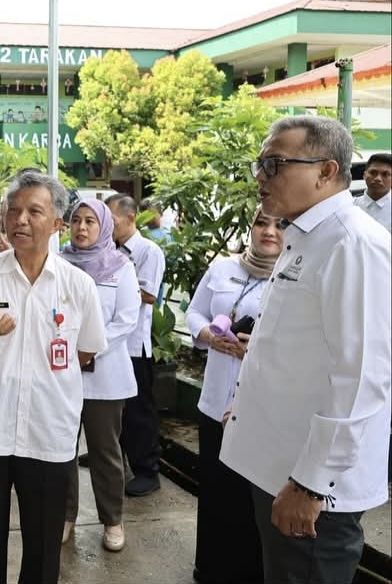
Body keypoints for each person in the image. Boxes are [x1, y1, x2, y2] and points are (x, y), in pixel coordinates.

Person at [221, 115, 391, 584]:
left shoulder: (353, 244)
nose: (261, 176)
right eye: (260, 164)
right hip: (280, 463)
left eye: (275, 164)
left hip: (312, 487)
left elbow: (362, 376)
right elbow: (293, 342)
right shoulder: (305, 234)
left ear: (326, 171)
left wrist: (313, 482)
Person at [0, 170, 107, 584]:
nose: (20, 220)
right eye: (13, 210)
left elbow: (86, 351)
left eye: (34, 212)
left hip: (48, 433)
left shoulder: (78, 285)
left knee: (42, 555)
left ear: (57, 223)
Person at [185, 209, 283, 584]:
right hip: (215, 402)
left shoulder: (294, 277)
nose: (269, 231)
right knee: (215, 488)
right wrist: (207, 336)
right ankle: (210, 568)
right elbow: (194, 312)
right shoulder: (224, 268)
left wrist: (255, 349)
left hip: (259, 408)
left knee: (250, 497)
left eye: (280, 224)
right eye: (261, 222)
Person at [59, 199, 139, 552]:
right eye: (76, 220)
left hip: (105, 377)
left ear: (104, 226)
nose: (82, 227)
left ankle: (112, 519)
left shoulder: (121, 267)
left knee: (105, 451)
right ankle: (65, 516)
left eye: (90, 221)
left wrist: (91, 347)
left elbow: (127, 319)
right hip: (63, 372)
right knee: (62, 448)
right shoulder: (58, 263)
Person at [105, 193, 166, 497]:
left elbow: (149, 294)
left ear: (130, 218)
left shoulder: (148, 251)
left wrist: (111, 289)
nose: (107, 226)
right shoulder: (109, 250)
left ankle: (147, 471)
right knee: (112, 406)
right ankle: (112, 456)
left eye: (112, 220)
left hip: (133, 344)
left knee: (139, 411)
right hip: (110, 342)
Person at [354, 152, 391, 232]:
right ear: (364, 175)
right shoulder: (351, 205)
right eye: (373, 173)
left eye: (385, 174)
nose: (378, 178)